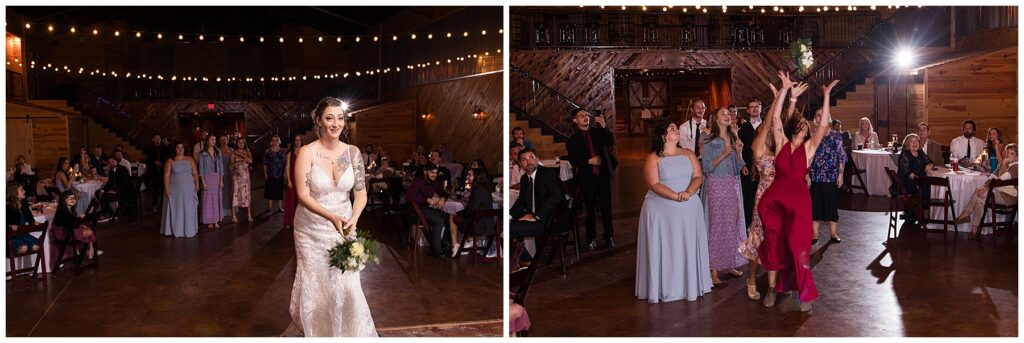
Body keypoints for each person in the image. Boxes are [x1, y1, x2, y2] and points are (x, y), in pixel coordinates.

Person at [285, 96, 376, 337]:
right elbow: (302, 194)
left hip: (345, 227)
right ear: (318, 121)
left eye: (340, 118)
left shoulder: (351, 153)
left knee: (346, 284)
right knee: (317, 283)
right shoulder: (308, 152)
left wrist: (354, 218)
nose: (336, 123)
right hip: (311, 229)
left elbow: (361, 193)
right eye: (329, 118)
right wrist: (331, 217)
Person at [757, 71, 838, 311]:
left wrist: (826, 95)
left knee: (798, 246)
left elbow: (823, 125)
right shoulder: (781, 142)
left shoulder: (810, 148)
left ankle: (803, 293)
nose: (805, 128)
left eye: (807, 126)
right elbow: (775, 121)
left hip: (799, 202)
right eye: (801, 125)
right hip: (775, 201)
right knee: (774, 244)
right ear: (795, 127)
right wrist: (783, 90)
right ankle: (773, 289)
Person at [635, 122, 711, 302]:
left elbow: (698, 176)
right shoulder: (653, 158)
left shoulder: (688, 153)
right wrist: (676, 196)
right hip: (662, 208)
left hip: (689, 206)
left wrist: (689, 193)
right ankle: (665, 286)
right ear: (662, 135)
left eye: (677, 128)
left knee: (686, 245)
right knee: (668, 246)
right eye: (672, 128)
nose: (677, 130)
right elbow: (653, 184)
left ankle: (689, 285)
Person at [737, 81, 791, 301]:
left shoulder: (780, 146)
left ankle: (776, 279)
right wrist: (776, 99)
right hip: (764, 199)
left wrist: (786, 96)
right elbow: (770, 121)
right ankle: (751, 278)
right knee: (758, 238)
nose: (768, 130)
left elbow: (782, 121)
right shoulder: (758, 148)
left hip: (781, 198)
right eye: (765, 129)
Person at [701, 108, 748, 285]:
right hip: (716, 184)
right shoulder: (707, 139)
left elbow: (737, 165)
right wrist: (723, 154)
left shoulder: (734, 137)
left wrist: (739, 152)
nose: (728, 116)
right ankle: (713, 269)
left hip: (733, 183)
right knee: (717, 225)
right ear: (715, 119)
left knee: (733, 224)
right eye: (723, 114)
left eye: (729, 114)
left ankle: (729, 263)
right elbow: (706, 168)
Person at [567, 108, 617, 249]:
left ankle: (609, 236)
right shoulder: (572, 140)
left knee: (606, 208)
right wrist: (589, 161)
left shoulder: (598, 132)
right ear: (575, 120)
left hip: (602, 176)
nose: (585, 117)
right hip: (587, 177)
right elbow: (573, 160)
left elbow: (609, 142)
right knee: (589, 209)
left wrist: (604, 126)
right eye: (581, 116)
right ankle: (591, 237)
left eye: (586, 115)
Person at [509, 148, 564, 263]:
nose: (529, 162)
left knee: (511, 229)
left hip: (549, 220)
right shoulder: (524, 179)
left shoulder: (547, 174)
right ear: (520, 164)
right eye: (524, 160)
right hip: (535, 217)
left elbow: (556, 197)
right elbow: (520, 202)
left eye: (531, 158)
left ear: (537, 159)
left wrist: (536, 216)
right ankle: (525, 260)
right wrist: (509, 216)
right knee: (506, 224)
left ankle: (526, 261)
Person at [956, 144, 1018, 239]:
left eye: (1011, 154)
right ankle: (974, 229)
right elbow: (992, 177)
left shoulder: (1016, 167)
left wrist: (1004, 165)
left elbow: (1001, 179)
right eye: (1007, 153)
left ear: (1017, 156)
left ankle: (966, 214)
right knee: (980, 198)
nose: (1008, 155)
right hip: (998, 192)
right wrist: (985, 186)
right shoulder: (1005, 164)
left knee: (980, 193)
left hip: (1009, 196)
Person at [809, 108, 847, 245]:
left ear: (828, 117)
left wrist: (841, 175)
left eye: (822, 115)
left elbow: (842, 157)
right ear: (815, 119)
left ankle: (833, 233)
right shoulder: (811, 134)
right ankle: (814, 234)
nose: (820, 117)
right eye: (817, 115)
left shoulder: (836, 135)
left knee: (832, 204)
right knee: (815, 205)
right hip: (815, 175)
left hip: (831, 176)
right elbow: (807, 156)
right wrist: (806, 175)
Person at [446, 168, 497, 257]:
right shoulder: (486, 190)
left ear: (476, 177)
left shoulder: (477, 190)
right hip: (489, 224)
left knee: (452, 217)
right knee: (460, 216)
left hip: (480, 226)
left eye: (470, 175)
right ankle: (470, 241)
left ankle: (455, 246)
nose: (467, 177)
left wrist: (458, 214)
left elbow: (472, 211)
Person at [406, 163, 451, 257]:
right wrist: (426, 199)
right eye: (432, 172)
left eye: (436, 173)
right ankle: (436, 250)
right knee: (438, 221)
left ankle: (444, 244)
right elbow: (409, 196)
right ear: (425, 172)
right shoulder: (418, 181)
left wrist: (443, 198)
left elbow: (443, 192)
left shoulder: (435, 182)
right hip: (415, 212)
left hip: (426, 210)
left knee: (450, 218)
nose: (434, 175)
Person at [161, 143, 200, 238]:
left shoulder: (190, 159)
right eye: (178, 148)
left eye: (182, 147)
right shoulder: (170, 161)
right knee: (176, 208)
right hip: (175, 190)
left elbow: (195, 173)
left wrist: (197, 184)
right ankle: (175, 229)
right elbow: (166, 176)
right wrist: (166, 189)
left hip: (188, 189)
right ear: (175, 149)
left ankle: (189, 229)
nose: (180, 149)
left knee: (188, 208)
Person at [896, 134, 934, 225]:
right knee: (926, 189)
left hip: (919, 180)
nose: (914, 143)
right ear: (907, 144)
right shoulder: (904, 154)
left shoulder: (920, 152)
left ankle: (923, 213)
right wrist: (920, 182)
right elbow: (908, 173)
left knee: (930, 187)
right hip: (907, 182)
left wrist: (929, 165)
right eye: (911, 141)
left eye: (916, 141)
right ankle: (922, 214)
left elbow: (930, 162)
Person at [53, 190, 102, 259]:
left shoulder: (69, 209)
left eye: (74, 198)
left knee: (88, 229)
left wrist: (79, 224)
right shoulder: (63, 210)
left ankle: (91, 251)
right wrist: (79, 220)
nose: (73, 200)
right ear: (64, 200)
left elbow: (71, 222)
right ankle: (91, 251)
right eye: (70, 198)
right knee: (90, 231)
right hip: (64, 234)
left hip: (68, 231)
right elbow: (68, 224)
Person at [737, 99, 763, 227]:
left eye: (756, 107)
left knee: (764, 197)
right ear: (747, 110)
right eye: (751, 107)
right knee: (748, 197)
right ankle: (748, 226)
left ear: (760, 108)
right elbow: (739, 150)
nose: (754, 109)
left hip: (764, 168)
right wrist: (742, 165)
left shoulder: (766, 126)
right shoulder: (742, 128)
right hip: (747, 167)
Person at [198, 135, 224, 230]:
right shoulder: (203, 153)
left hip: (216, 177)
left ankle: (215, 220)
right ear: (207, 141)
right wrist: (203, 182)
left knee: (216, 199)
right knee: (207, 199)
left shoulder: (218, 152)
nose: (213, 141)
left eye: (214, 139)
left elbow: (221, 167)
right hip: (207, 177)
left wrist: (221, 180)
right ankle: (209, 220)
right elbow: (201, 169)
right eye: (211, 139)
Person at [7, 182, 41, 255]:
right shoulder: (7, 206)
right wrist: (10, 225)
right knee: (23, 248)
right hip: (12, 236)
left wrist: (33, 222)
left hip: (23, 234)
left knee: (36, 246)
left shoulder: (23, 203)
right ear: (14, 194)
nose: (24, 191)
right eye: (21, 190)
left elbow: (28, 215)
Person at [284, 134, 304, 230]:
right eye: (296, 140)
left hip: (302, 179)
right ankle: (290, 221)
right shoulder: (289, 153)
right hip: (292, 179)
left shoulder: (305, 152)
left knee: (301, 201)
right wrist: (288, 180)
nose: (297, 142)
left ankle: (300, 222)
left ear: (301, 141)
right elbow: (287, 167)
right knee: (290, 201)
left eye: (299, 140)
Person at [232, 138, 254, 222]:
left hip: (245, 176)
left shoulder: (247, 152)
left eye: (242, 143)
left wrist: (244, 156)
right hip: (236, 176)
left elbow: (251, 161)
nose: (241, 144)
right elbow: (231, 165)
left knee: (247, 194)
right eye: (239, 142)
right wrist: (241, 161)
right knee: (235, 193)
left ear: (244, 144)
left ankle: (249, 215)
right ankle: (234, 215)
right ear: (237, 143)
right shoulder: (233, 152)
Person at [264, 135, 287, 213]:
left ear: (279, 141)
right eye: (273, 140)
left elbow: (285, 163)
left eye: (276, 140)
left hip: (280, 174)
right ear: (271, 142)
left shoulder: (282, 151)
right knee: (270, 191)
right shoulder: (268, 151)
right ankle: (270, 207)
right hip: (270, 174)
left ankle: (280, 206)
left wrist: (285, 173)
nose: (275, 142)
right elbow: (265, 163)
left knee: (279, 191)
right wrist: (265, 173)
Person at [146, 134, 169, 211]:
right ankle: (155, 205)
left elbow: (168, 157)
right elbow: (148, 160)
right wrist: (154, 162)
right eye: (156, 138)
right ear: (153, 140)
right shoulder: (150, 149)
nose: (158, 139)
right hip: (154, 171)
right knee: (155, 189)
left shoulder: (164, 148)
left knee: (164, 188)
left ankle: (164, 204)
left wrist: (162, 162)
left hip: (163, 171)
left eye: (159, 138)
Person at [218, 135, 235, 218]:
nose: (224, 141)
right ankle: (223, 209)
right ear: (219, 141)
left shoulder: (231, 150)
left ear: (228, 141)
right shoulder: (217, 150)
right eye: (222, 140)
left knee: (230, 190)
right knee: (223, 191)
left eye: (225, 140)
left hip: (230, 171)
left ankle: (232, 209)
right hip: (221, 172)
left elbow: (234, 161)